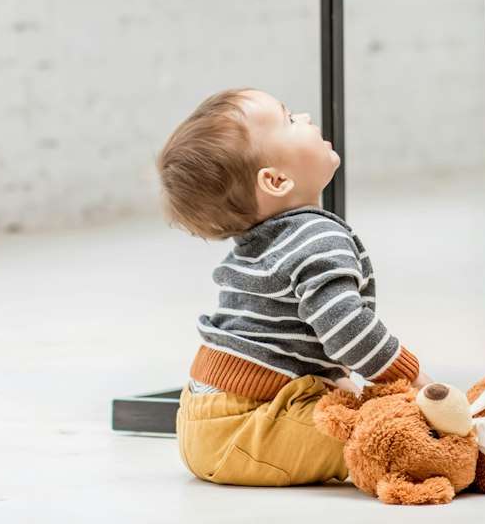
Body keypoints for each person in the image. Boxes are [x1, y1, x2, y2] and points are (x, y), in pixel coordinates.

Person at [157, 88, 423, 484]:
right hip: (248, 424)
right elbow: (347, 329)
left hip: (209, 416)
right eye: (288, 120)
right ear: (277, 180)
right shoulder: (314, 237)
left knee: (361, 411)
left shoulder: (270, 241)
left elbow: (292, 342)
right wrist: (416, 380)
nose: (305, 116)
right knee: (393, 437)